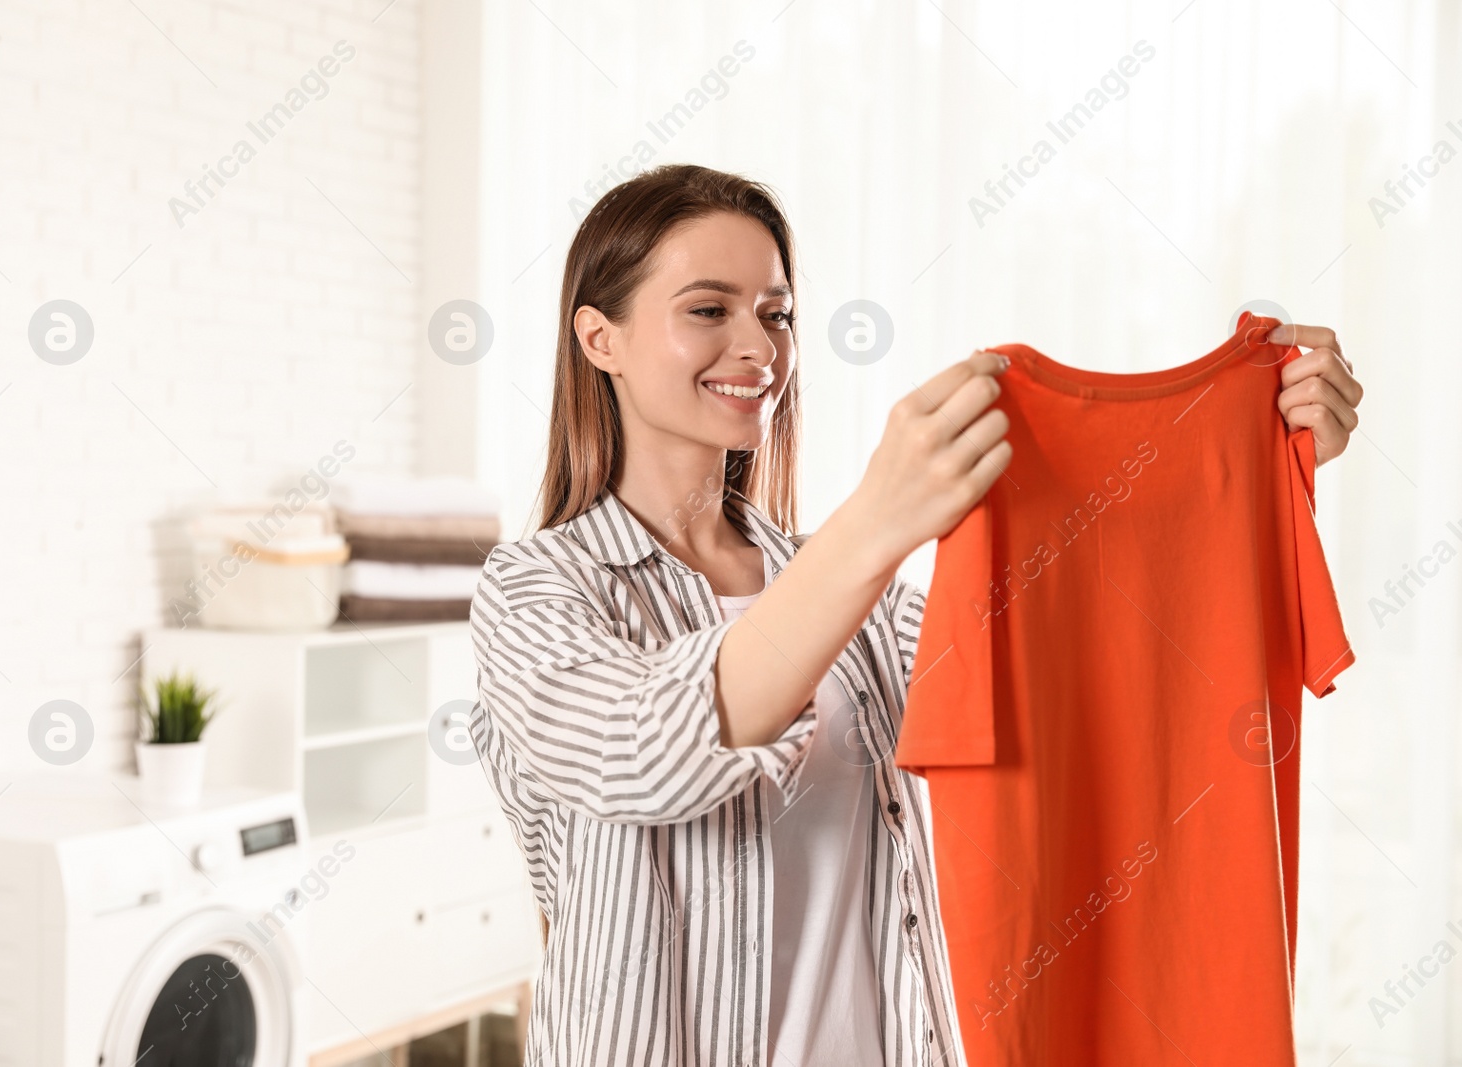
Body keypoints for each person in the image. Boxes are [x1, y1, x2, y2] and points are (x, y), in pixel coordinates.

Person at [466, 163, 1362, 1067]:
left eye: (775, 314)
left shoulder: (860, 598)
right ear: (600, 338)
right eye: (709, 310)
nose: (760, 347)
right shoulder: (535, 591)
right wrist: (875, 525)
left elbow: (1080, 652)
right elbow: (648, 750)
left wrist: (1247, 456)